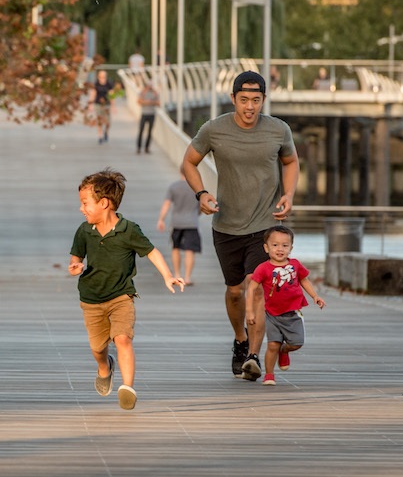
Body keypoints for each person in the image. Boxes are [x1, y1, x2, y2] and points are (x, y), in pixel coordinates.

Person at [181, 70, 299, 382]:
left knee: (256, 288)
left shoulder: (278, 130)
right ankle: (240, 338)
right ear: (233, 99)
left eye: (256, 100)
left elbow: (290, 162)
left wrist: (288, 195)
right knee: (235, 292)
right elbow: (188, 163)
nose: (250, 107)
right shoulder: (214, 129)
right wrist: (202, 194)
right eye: (244, 100)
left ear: (263, 100)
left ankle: (253, 356)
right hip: (227, 225)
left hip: (265, 225)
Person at [68, 169, 185, 410]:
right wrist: (75, 265)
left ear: (104, 203)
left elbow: (151, 251)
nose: (81, 208)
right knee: (98, 348)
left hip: (122, 296)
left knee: (122, 338)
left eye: (85, 203)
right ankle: (104, 367)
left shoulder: (129, 229)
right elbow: (76, 255)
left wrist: (168, 276)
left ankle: (127, 388)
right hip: (91, 298)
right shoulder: (84, 231)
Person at [245, 225, 325, 385]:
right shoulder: (263, 268)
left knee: (296, 343)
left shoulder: (295, 265)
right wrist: (250, 312)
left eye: (284, 245)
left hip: (292, 313)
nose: (280, 249)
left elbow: (304, 280)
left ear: (291, 248)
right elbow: (252, 288)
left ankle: (285, 351)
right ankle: (269, 375)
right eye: (275, 245)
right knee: (273, 345)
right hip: (272, 314)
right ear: (266, 248)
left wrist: (315, 296)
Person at [156, 169, 201, 286]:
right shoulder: (197, 188)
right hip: (191, 222)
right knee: (189, 250)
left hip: (177, 222)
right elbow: (201, 205)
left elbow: (167, 204)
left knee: (175, 248)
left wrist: (161, 219)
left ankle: (176, 274)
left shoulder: (174, 187)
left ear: (180, 172)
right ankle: (187, 277)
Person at [89, 70, 116, 144]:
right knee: (99, 121)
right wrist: (90, 104)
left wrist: (113, 106)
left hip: (106, 105)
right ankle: (100, 136)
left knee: (107, 122)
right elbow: (93, 94)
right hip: (98, 104)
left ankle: (106, 132)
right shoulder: (96, 84)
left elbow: (111, 95)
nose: (102, 78)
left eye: (104, 76)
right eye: (101, 76)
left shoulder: (109, 84)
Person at [136, 81, 159, 154]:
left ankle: (147, 147)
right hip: (144, 114)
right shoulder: (143, 92)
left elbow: (158, 103)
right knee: (141, 131)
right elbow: (139, 101)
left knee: (150, 132)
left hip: (152, 114)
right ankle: (139, 147)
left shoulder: (155, 93)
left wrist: (149, 102)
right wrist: (148, 102)